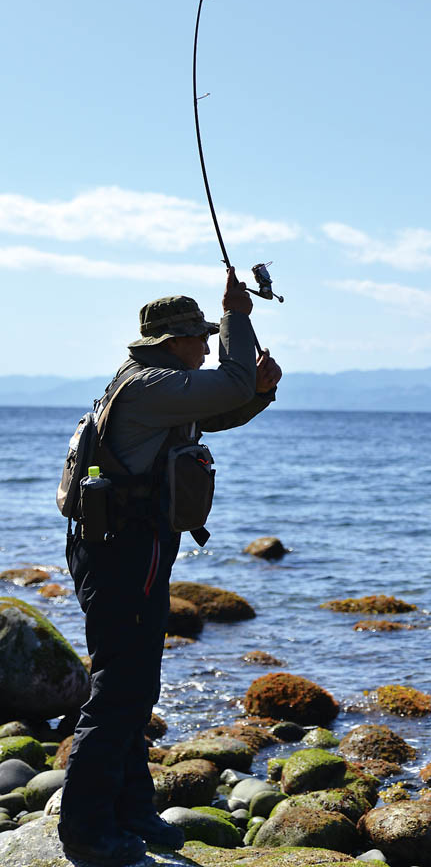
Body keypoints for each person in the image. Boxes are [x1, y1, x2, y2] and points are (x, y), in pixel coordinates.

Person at [58, 267, 281, 866]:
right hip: (123, 554)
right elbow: (228, 381)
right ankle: (85, 829)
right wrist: (239, 314)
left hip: (129, 550)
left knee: (136, 685)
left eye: (213, 334)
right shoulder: (150, 387)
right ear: (172, 341)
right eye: (201, 337)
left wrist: (258, 393)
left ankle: (130, 809)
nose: (208, 345)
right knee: (119, 690)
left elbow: (224, 405)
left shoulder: (158, 388)